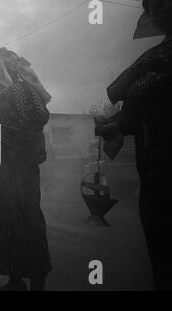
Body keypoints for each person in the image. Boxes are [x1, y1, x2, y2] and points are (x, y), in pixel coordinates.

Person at [96, 0, 172, 290]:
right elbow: (136, 112)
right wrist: (116, 123)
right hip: (157, 180)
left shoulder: (154, 62)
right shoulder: (149, 62)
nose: (160, 9)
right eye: (153, 4)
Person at [0, 47, 51, 291]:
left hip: (15, 174)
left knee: (25, 224)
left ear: (2, 70)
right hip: (1, 175)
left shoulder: (19, 92)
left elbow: (25, 127)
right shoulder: (7, 95)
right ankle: (15, 280)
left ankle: (37, 282)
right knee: (8, 226)